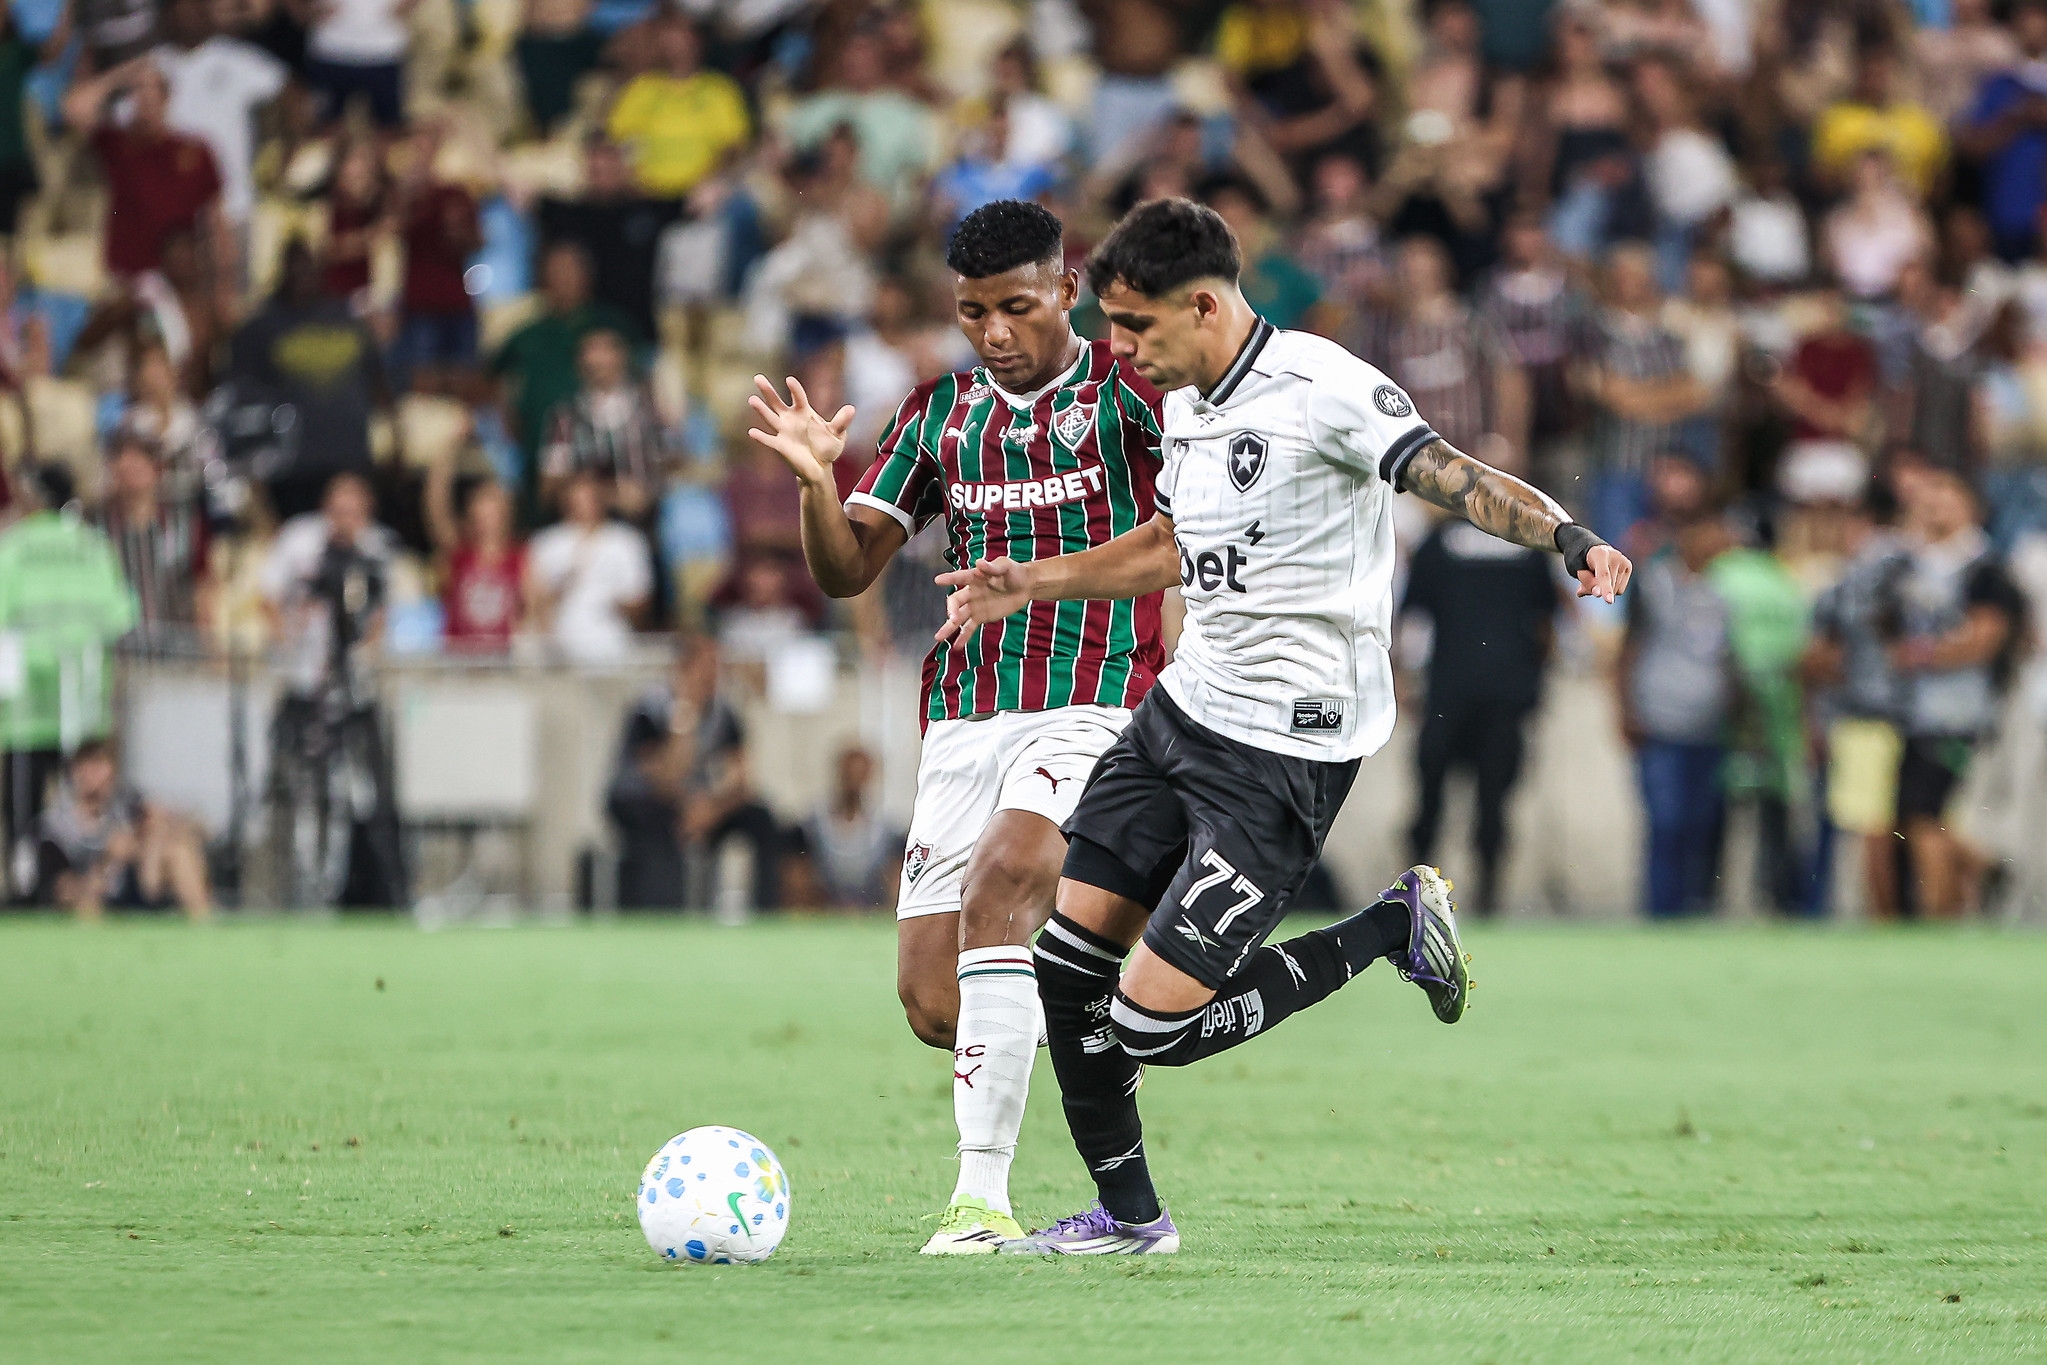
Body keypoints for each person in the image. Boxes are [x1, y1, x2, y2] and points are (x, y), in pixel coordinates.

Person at [937, 198, 1632, 1254]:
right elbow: (1170, 544)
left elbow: (1455, 475)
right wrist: (1030, 580)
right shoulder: (1180, 401)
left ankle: (1392, 927)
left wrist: (1568, 536)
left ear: (1204, 306)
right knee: (1067, 967)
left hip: (1286, 747)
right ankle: (1131, 1223)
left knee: (1149, 1028)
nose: (1118, 348)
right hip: (1182, 712)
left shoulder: (1326, 389)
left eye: (1134, 327)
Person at [744, 200, 1168, 1254]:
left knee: (1005, 883)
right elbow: (846, 570)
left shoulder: (1134, 395)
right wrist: (815, 484)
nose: (994, 333)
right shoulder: (939, 414)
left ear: (1065, 290)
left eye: (1016, 308)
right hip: (965, 717)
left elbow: (1178, 540)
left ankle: (977, 1204)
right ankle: (1144, 1011)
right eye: (973, 312)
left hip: (1099, 695)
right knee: (938, 1001)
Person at [1400, 513, 1561, 917]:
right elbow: (1546, 623)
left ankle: (1419, 897)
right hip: (1499, 694)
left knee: (1439, 802)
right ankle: (1481, 897)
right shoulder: (1527, 543)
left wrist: (1404, 679)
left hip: (1452, 693)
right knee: (1487, 803)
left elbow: (1413, 617)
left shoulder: (1439, 543)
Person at [1882, 467, 2026, 917]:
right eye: (1929, 495)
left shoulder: (1986, 569)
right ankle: (1979, 866)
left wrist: (1923, 655)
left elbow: (1985, 639)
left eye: (1947, 494)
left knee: (1925, 818)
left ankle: (1939, 913)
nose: (1935, 504)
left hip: (1961, 714)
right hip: (1916, 712)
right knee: (1923, 819)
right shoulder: (1909, 566)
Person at [1617, 508, 1735, 918]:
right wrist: (1626, 709)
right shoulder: (1653, 583)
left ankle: (1694, 907)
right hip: (1660, 721)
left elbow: (1729, 657)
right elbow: (1628, 650)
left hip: (1709, 727)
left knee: (1702, 823)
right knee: (1666, 821)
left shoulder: (1723, 590)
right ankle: (1660, 910)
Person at [607, 636, 780, 911]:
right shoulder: (650, 709)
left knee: (761, 819)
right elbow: (664, 777)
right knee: (660, 822)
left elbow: (741, 778)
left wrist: (711, 809)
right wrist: (684, 716)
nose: (714, 676)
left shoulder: (724, 713)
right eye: (706, 667)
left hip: (701, 804)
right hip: (645, 800)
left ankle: (767, 908)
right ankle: (661, 911)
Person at [228, 241, 394, 521]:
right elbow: (242, 399)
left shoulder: (347, 319)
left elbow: (378, 382)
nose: (302, 274)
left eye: (309, 267)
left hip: (350, 456)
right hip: (292, 468)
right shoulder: (260, 327)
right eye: (295, 267)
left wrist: (395, 435)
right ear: (282, 272)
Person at [490, 241, 641, 522]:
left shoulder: (611, 323)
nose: (563, 279)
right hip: (540, 458)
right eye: (554, 272)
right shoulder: (527, 335)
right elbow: (498, 385)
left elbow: (641, 382)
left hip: (606, 461)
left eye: (570, 270)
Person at [62, 58, 230, 282]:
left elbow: (215, 221)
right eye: (139, 91)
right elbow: (73, 109)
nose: (145, 98)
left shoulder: (194, 152)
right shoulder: (117, 144)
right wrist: (122, 74)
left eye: (152, 90)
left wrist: (222, 279)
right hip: (127, 275)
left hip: (177, 276)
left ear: (165, 96)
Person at [35, 740, 211, 921]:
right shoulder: (56, 824)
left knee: (179, 851)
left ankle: (205, 925)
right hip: (90, 890)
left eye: (104, 767)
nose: (100, 776)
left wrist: (151, 841)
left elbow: (191, 823)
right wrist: (108, 859)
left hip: (131, 886)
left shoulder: (125, 806)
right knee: (87, 896)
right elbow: (59, 886)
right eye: (92, 767)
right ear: (76, 772)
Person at [602, 15, 749, 199]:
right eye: (667, 41)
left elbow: (734, 146)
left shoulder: (720, 90)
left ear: (697, 43)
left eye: (680, 40)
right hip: (644, 192)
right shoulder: (641, 89)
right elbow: (616, 139)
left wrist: (713, 180)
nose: (674, 48)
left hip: (704, 193)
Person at [96, 429, 212, 653]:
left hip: (177, 648)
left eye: (139, 461)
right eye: (122, 462)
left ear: (157, 469)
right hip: (119, 651)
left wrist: (207, 645)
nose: (130, 471)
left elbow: (203, 587)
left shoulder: (184, 524)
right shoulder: (96, 528)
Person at [525, 467, 650, 664]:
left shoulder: (627, 542)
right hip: (560, 655)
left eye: (592, 494)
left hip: (612, 651)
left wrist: (616, 606)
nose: (585, 501)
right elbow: (533, 602)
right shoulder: (545, 543)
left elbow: (640, 601)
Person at [787, 744, 901, 910]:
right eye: (849, 775)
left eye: (860, 775)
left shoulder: (886, 831)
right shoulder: (812, 827)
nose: (854, 783)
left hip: (871, 908)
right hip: (822, 908)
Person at [424, 466, 525, 654]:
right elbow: (436, 507)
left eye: (492, 509)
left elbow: (534, 608)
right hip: (460, 660)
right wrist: (448, 454)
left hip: (501, 661)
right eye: (481, 508)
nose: (487, 517)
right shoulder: (459, 553)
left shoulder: (519, 557)